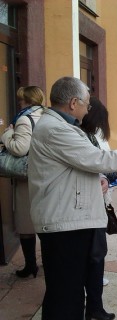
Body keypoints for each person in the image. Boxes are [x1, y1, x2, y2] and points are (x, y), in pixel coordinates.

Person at [27, 76, 117, 320]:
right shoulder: (57, 129)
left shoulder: (63, 126)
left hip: (68, 218)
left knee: (70, 288)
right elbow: (99, 158)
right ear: (73, 102)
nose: (89, 109)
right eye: (87, 104)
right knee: (64, 291)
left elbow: (75, 168)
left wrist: (100, 178)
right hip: (63, 223)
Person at [80, 96, 117, 320]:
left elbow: (101, 166)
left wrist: (106, 177)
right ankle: (92, 307)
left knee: (96, 256)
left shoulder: (90, 136)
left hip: (95, 204)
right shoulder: (78, 136)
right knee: (94, 257)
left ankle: (94, 306)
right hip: (84, 208)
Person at [1, 86, 45, 278]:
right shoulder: (45, 116)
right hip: (44, 175)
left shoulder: (25, 119)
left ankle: (30, 266)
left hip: (27, 178)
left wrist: (7, 134)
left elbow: (19, 148)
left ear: (27, 100)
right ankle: (47, 263)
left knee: (26, 225)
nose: (19, 102)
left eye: (21, 99)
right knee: (44, 222)